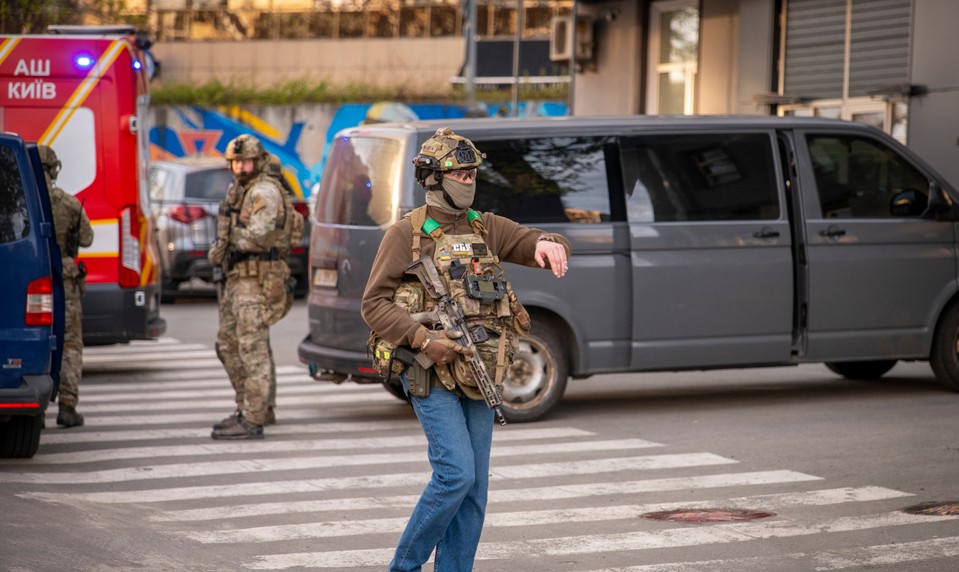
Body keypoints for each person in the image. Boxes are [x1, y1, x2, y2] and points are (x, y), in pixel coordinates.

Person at [361, 127, 570, 571]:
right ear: (434, 179)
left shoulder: (483, 226)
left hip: (479, 370)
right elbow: (373, 304)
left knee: (475, 489)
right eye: (461, 173)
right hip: (428, 370)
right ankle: (404, 567)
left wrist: (549, 245)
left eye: (474, 172)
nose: (470, 180)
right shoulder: (405, 233)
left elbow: (530, 240)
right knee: (456, 475)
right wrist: (424, 339)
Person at [208, 135, 288, 440]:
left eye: (246, 162)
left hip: (256, 281)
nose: (240, 167)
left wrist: (227, 241)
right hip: (239, 279)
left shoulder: (263, 190)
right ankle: (254, 407)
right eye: (236, 163)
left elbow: (260, 235)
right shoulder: (242, 190)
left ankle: (253, 418)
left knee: (251, 348)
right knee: (228, 344)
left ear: (258, 162)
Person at [38, 145, 94, 428]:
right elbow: (86, 238)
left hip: (32, 278)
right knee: (70, 343)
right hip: (65, 281)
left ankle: (34, 409)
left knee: (36, 339)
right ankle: (68, 407)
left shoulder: (24, 199)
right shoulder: (69, 203)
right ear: (53, 169)